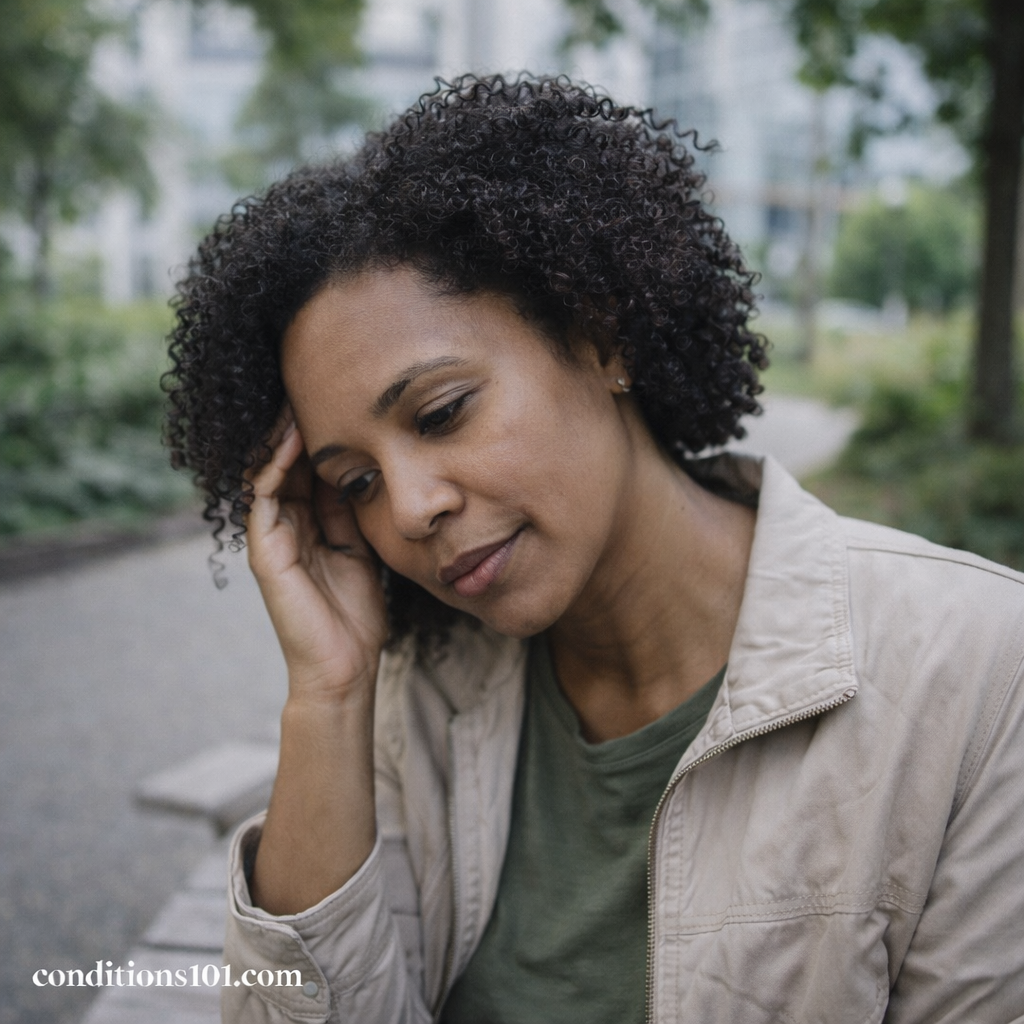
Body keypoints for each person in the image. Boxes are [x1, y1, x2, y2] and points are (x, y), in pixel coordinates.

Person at [165, 75, 1024, 1024]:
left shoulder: (979, 667)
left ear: (599, 332)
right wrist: (327, 698)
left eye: (443, 412)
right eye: (355, 483)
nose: (408, 509)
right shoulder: (421, 691)